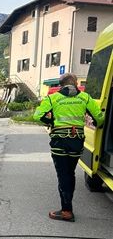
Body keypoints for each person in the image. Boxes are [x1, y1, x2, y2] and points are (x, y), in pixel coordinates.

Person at [33, 73, 104, 222]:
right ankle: (67, 207)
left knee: (63, 175)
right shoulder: (85, 97)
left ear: (61, 85)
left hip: (60, 141)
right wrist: (100, 123)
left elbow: (37, 115)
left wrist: (51, 121)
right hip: (77, 141)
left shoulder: (53, 98)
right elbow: (98, 117)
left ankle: (66, 211)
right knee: (70, 173)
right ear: (75, 83)